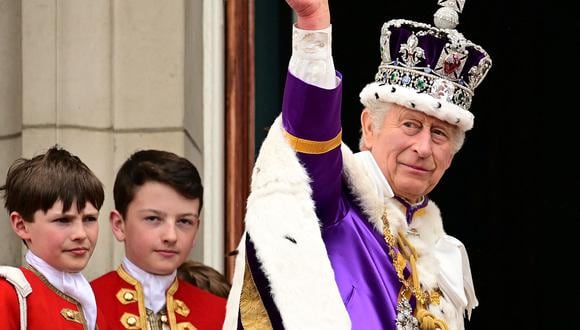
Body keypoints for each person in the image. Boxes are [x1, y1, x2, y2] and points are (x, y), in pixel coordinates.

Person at [224, 0, 492, 329]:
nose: (422, 147)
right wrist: (314, 23)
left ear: (451, 155)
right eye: (410, 125)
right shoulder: (334, 203)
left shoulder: (442, 255)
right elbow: (310, 135)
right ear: (368, 127)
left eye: (439, 134)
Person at [90, 149, 226, 330]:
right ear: (119, 225)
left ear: (196, 230)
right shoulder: (86, 306)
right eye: (153, 219)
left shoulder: (222, 315)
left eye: (184, 221)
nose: (171, 236)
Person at [0, 145, 106, 330]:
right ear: (21, 225)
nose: (81, 234)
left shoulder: (91, 300)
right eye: (63, 220)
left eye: (90, 219)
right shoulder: (9, 296)